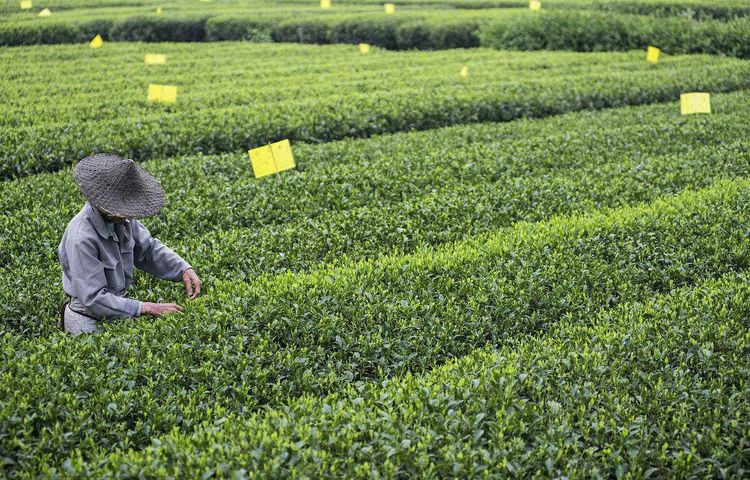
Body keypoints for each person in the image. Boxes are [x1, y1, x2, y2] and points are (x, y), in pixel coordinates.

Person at [58, 153, 202, 335]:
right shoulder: (82, 238)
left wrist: (183, 269)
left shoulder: (122, 220)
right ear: (104, 204)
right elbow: (94, 298)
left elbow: (148, 249)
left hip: (119, 314)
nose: (128, 214)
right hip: (87, 322)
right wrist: (146, 307)